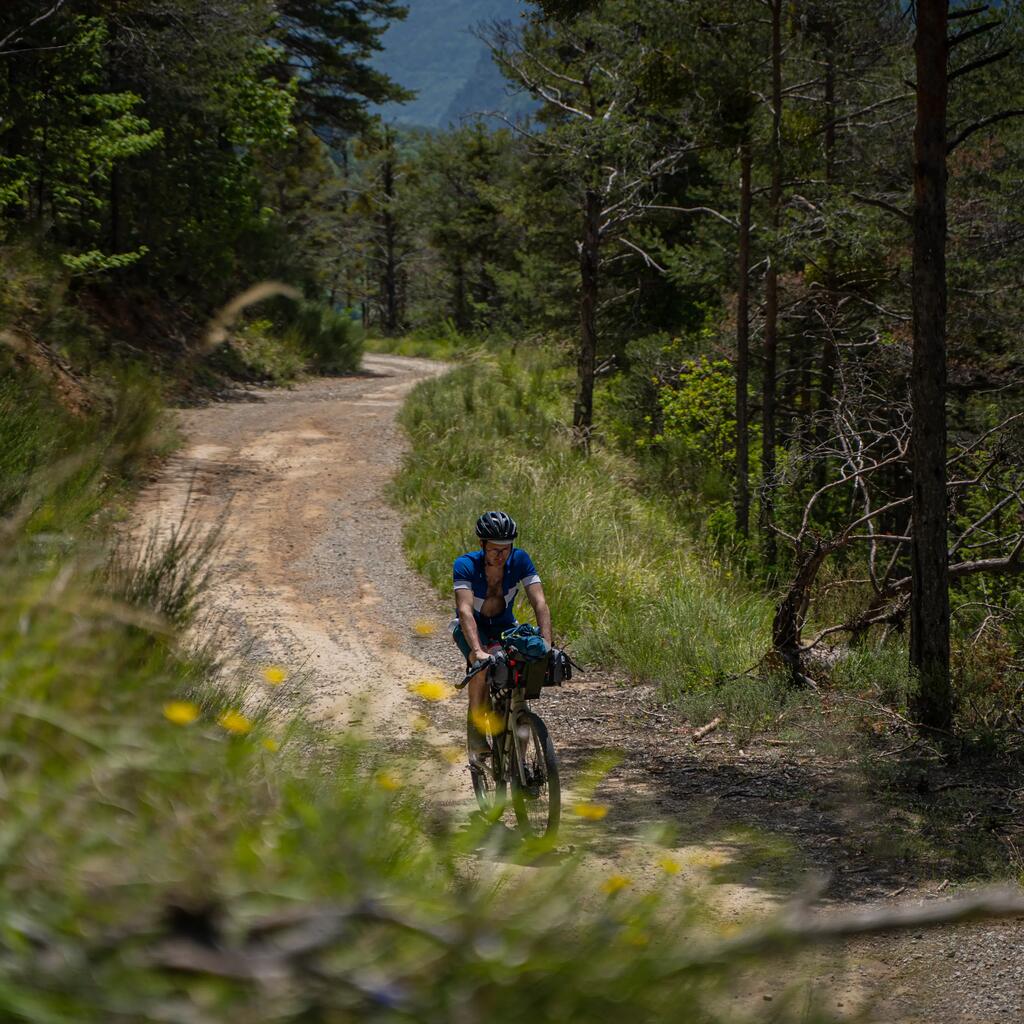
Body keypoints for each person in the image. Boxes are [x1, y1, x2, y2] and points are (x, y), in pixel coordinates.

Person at [451, 510, 551, 763]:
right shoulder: (465, 565)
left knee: (524, 666)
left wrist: (547, 643)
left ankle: (518, 739)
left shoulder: (520, 560)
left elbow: (539, 602)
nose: (500, 555)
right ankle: (476, 732)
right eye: (495, 550)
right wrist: (478, 650)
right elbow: (464, 610)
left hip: (505, 626)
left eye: (506, 549)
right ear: (482, 545)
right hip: (472, 627)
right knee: (481, 667)